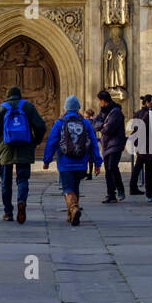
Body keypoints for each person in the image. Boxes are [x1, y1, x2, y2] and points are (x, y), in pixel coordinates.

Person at [0, 85, 46, 224]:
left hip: (5, 148)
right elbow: (40, 126)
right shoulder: (28, 107)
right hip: (25, 147)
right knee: (22, 179)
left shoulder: (1, 108)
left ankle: (8, 212)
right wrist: (34, 142)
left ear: (7, 96)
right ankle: (21, 201)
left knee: (5, 181)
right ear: (19, 96)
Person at [42, 96, 102, 226]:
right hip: (81, 162)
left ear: (65, 108)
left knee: (67, 188)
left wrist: (47, 160)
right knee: (76, 187)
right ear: (78, 108)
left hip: (65, 163)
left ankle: (74, 208)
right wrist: (97, 162)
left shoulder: (59, 123)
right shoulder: (86, 123)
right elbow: (93, 144)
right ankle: (71, 214)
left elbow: (51, 142)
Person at [97, 89, 127, 203]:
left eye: (100, 101)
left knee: (112, 167)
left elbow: (109, 129)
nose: (99, 103)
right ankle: (111, 194)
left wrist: (103, 127)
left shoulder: (116, 112)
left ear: (104, 101)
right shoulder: (103, 111)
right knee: (108, 170)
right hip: (106, 145)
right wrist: (101, 125)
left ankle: (120, 189)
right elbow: (95, 123)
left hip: (115, 144)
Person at [130, 96, 152, 195]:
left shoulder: (138, 113)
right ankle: (147, 188)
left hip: (140, 142)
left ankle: (134, 187)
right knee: (148, 166)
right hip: (147, 143)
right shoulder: (148, 113)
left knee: (138, 166)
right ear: (148, 102)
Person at [84, 108, 98, 179]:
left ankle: (88, 173)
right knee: (89, 159)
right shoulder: (93, 122)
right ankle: (89, 173)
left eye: (86, 116)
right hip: (90, 142)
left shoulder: (89, 122)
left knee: (88, 158)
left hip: (88, 142)